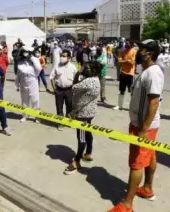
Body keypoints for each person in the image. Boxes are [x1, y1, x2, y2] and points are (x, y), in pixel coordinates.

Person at [109, 39, 163, 212]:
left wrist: (144, 130)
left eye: (143, 49)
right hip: (143, 125)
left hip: (143, 126)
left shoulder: (153, 73)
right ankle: (147, 188)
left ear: (150, 54)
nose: (139, 52)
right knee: (150, 157)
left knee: (137, 163)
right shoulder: (147, 71)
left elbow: (153, 102)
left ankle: (127, 204)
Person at [64, 61, 101, 175]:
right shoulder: (96, 79)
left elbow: (74, 87)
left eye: (85, 67)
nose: (83, 69)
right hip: (90, 111)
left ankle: (76, 162)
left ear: (92, 70)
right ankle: (88, 153)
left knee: (81, 137)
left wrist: (76, 74)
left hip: (82, 113)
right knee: (88, 131)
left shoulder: (88, 81)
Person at [50, 49, 77, 130]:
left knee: (70, 106)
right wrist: (54, 89)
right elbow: (51, 78)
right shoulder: (57, 66)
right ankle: (60, 123)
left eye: (64, 56)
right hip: (59, 90)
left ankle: (69, 122)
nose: (62, 57)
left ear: (69, 58)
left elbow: (77, 78)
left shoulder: (73, 67)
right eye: (61, 56)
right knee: (59, 107)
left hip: (69, 89)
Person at [15, 46, 42, 123]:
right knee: (24, 101)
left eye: (27, 52)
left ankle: (37, 117)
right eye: (24, 52)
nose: (25, 53)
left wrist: (32, 58)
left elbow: (39, 69)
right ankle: (24, 116)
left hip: (33, 82)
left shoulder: (35, 61)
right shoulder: (20, 63)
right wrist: (17, 85)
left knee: (35, 101)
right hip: (23, 84)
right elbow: (18, 75)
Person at [113, 39, 137, 111]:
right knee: (121, 90)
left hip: (130, 74)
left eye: (129, 43)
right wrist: (127, 61)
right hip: (123, 72)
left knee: (131, 91)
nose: (127, 44)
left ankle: (132, 107)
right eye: (126, 42)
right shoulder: (122, 51)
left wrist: (124, 61)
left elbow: (132, 62)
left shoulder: (134, 51)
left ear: (132, 44)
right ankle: (119, 106)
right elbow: (119, 60)